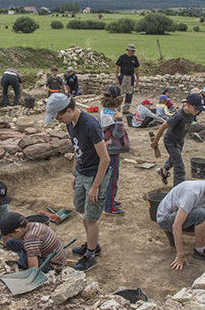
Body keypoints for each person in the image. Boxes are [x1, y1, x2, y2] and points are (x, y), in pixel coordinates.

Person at [45, 93, 111, 271]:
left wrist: (95, 186)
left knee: (91, 218)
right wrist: (75, 173)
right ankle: (92, 244)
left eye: (59, 116)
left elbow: (105, 159)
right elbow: (77, 149)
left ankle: (91, 254)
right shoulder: (70, 123)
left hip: (95, 175)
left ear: (68, 110)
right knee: (81, 210)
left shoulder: (91, 125)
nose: (59, 120)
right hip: (82, 173)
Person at [151, 94, 203, 187]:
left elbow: (187, 126)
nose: (198, 112)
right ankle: (178, 191)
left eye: (199, 110)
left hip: (180, 140)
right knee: (179, 167)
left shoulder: (192, 113)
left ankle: (163, 171)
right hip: (171, 141)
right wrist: (155, 141)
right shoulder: (178, 116)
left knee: (174, 158)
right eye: (196, 109)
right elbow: (163, 127)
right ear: (189, 105)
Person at [0, 212, 67, 272]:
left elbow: (33, 269)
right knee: (10, 242)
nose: (11, 237)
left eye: (11, 235)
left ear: (18, 231)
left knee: (14, 258)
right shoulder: (33, 225)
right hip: (50, 255)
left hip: (53, 266)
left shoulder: (31, 239)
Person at [99, 85, 127, 216]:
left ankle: (110, 200)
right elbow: (118, 134)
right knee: (112, 178)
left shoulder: (105, 111)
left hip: (107, 148)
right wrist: (120, 119)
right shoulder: (110, 115)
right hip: (112, 150)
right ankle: (109, 207)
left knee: (109, 177)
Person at [114, 44, 140, 114]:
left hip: (131, 77)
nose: (133, 52)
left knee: (130, 93)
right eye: (132, 51)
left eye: (134, 51)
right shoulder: (122, 57)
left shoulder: (134, 58)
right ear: (128, 50)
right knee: (119, 92)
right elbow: (117, 67)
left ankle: (126, 109)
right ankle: (117, 108)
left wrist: (137, 80)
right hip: (123, 76)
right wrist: (116, 78)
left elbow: (137, 69)